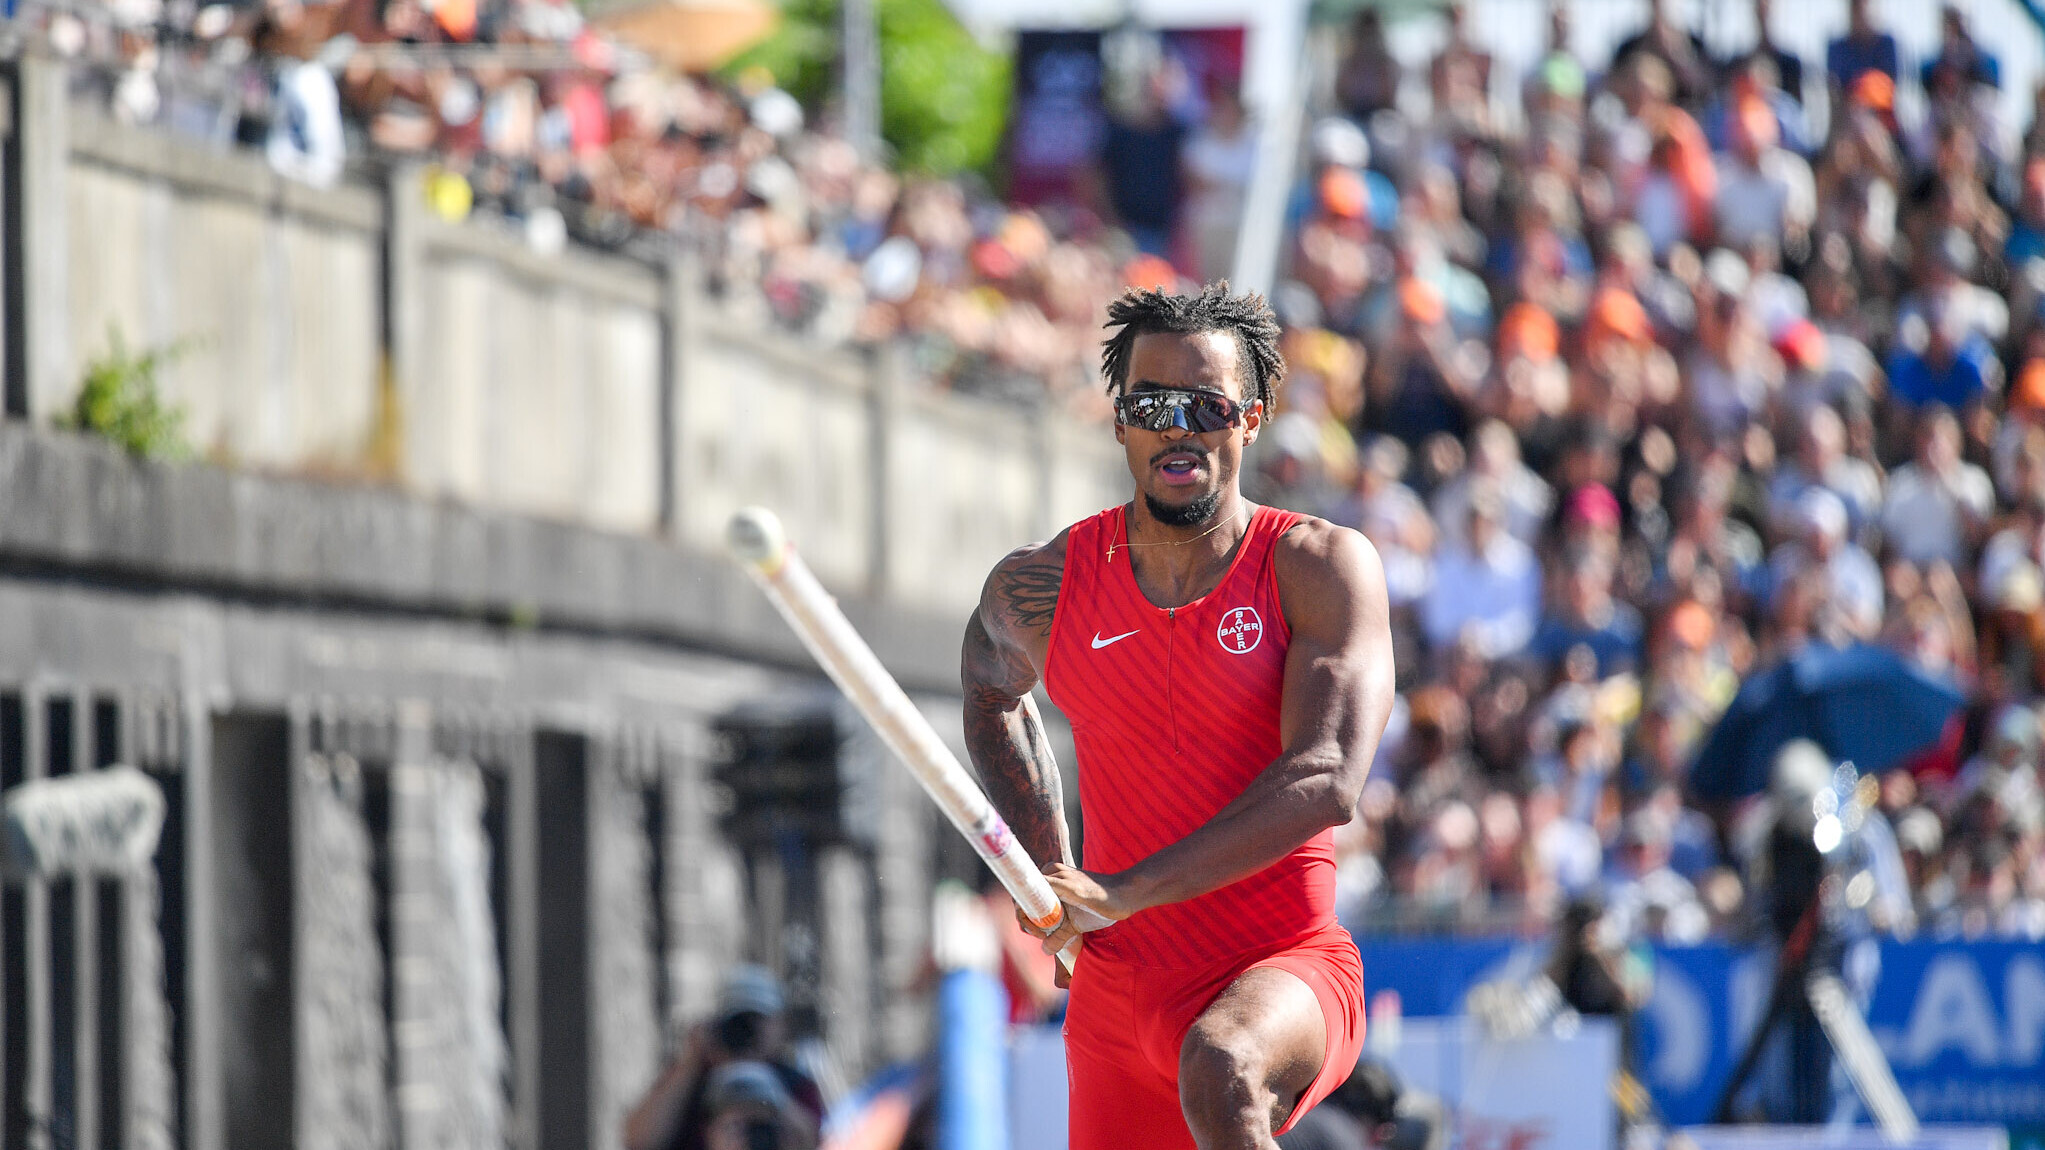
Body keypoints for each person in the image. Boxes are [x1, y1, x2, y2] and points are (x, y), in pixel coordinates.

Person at [961, 283, 1395, 1150]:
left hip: (1282, 966)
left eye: (1206, 403)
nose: (1178, 426)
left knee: (1221, 1063)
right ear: (1120, 422)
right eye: (1152, 403)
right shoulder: (1042, 587)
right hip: (1116, 999)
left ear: (1252, 418)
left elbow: (1326, 779)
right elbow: (987, 690)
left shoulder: (1313, 566)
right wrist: (1049, 873)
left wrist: (1121, 891)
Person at [622, 966, 824, 1150]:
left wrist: (768, 1091)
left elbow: (814, 1140)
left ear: (781, 1026)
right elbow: (639, 1141)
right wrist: (692, 1059)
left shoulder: (796, 1085)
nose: (747, 1031)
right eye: (738, 1021)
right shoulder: (692, 1081)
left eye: (757, 1020)